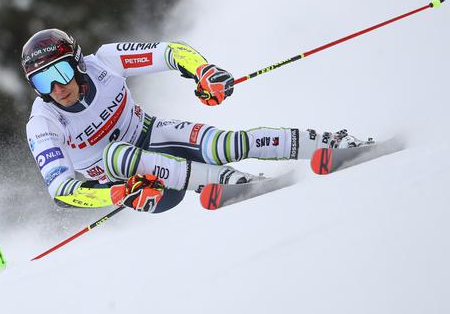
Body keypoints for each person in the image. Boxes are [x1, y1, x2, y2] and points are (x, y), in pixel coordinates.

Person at [23, 28, 365, 213]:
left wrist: (203, 72)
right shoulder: (43, 122)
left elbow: (170, 51)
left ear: (78, 62)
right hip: (144, 187)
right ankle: (233, 180)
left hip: (153, 133)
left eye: (60, 71)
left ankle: (330, 142)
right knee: (116, 155)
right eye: (42, 81)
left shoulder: (106, 62)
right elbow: (62, 191)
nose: (56, 87)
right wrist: (118, 194)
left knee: (225, 144)